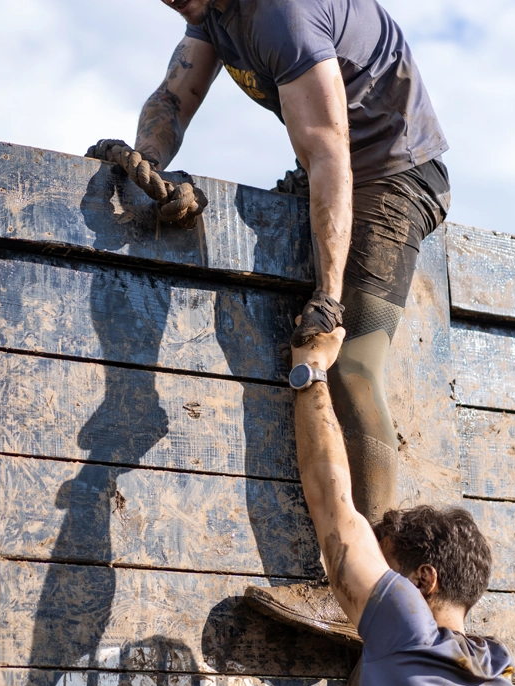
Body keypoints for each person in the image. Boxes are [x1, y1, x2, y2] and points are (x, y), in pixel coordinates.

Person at [88, 0, 451, 641]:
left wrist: (330, 298)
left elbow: (330, 151)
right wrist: (147, 161)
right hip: (328, 168)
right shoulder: (214, 15)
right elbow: (172, 98)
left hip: (391, 171)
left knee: (354, 365)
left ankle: (377, 592)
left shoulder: (281, 12)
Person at [272, 324, 515, 686]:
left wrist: (310, 366)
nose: (377, 580)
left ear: (424, 579)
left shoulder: (409, 629)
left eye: (384, 569)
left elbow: (334, 506)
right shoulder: (498, 674)